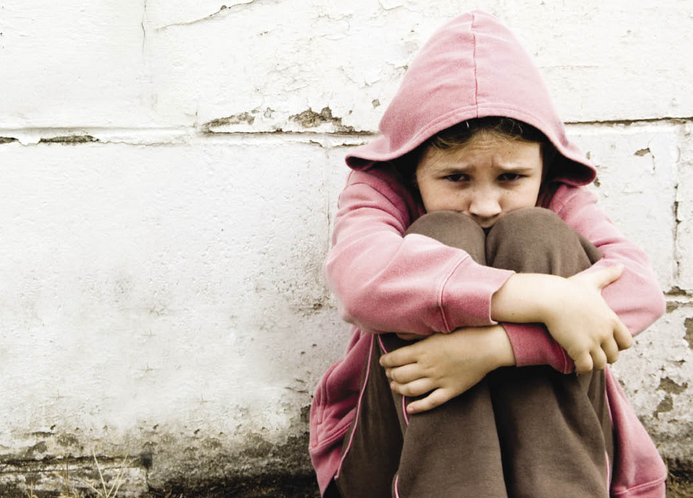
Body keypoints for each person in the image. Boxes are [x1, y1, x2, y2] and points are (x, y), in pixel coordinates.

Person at [309, 10, 667, 498]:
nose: (485, 204)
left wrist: (493, 350)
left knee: (536, 231)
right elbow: (361, 283)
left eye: (511, 177)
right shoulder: (379, 192)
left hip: (560, 457)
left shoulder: (559, 197)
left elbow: (641, 291)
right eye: (456, 177)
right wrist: (541, 297)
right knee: (441, 232)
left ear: (544, 163)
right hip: (396, 457)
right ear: (412, 166)